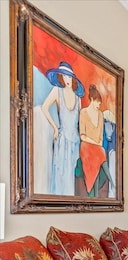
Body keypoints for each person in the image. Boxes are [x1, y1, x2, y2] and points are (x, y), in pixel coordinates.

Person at [41, 61, 85, 196]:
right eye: (65, 76)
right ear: (61, 77)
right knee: (61, 176)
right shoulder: (57, 91)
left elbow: (80, 122)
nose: (67, 80)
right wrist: (55, 127)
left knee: (72, 178)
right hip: (63, 140)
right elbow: (44, 107)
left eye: (69, 77)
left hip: (75, 142)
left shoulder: (78, 98)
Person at [78, 84, 114, 196]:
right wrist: (96, 143)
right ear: (92, 100)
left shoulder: (100, 115)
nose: (99, 104)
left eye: (100, 102)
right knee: (100, 152)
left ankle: (107, 185)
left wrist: (98, 143)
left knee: (100, 152)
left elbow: (100, 137)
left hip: (97, 147)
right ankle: (112, 181)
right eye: (98, 102)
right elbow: (82, 135)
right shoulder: (83, 112)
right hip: (86, 146)